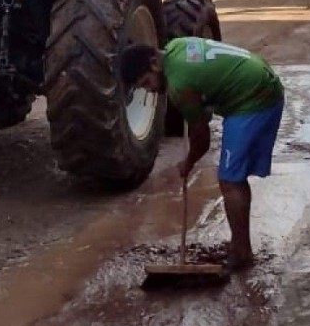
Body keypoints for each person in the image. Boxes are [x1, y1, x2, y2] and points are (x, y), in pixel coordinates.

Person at [120, 37, 284, 270]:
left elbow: (202, 139)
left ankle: (242, 253)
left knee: (230, 180)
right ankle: (239, 244)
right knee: (233, 176)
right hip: (259, 78)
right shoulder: (176, 47)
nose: (151, 90)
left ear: (154, 63)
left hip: (255, 98)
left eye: (147, 82)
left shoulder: (179, 84)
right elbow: (203, 79)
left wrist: (188, 162)